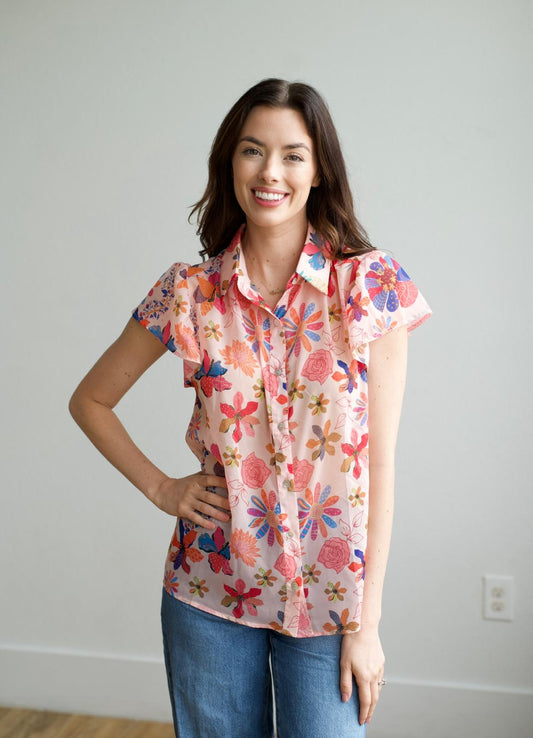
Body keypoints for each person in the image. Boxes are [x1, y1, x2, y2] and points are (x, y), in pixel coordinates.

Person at [69, 78, 431, 737]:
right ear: (228, 163)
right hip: (210, 591)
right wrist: (161, 487)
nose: (270, 172)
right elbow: (90, 400)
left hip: (332, 602)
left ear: (319, 171)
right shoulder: (188, 293)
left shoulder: (368, 285)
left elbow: (378, 466)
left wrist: (367, 624)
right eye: (252, 150)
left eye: (293, 155)